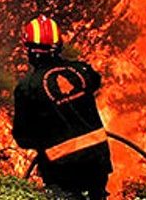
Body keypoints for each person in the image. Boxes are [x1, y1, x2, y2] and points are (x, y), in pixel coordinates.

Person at [11, 16, 113, 200]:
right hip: (97, 161)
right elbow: (95, 81)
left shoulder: (27, 87)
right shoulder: (82, 71)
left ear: (29, 50)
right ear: (59, 46)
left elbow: (23, 138)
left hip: (61, 171)